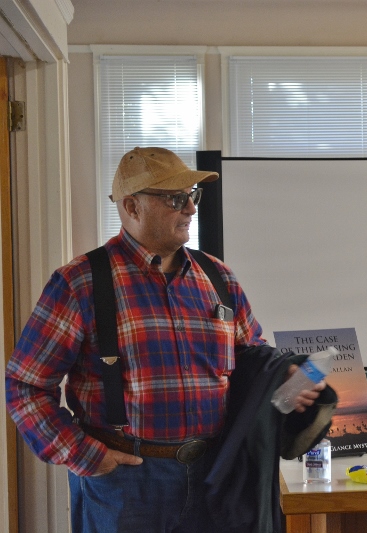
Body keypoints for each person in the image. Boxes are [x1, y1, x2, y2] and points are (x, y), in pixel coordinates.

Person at [5, 147, 326, 532]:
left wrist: (290, 384)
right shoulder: (81, 283)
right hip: (127, 484)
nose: (190, 209)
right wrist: (86, 456)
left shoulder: (219, 278)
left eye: (192, 196)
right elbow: (25, 386)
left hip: (218, 476)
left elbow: (253, 360)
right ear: (132, 207)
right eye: (175, 198)